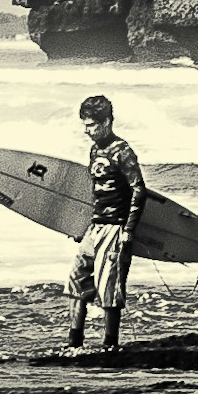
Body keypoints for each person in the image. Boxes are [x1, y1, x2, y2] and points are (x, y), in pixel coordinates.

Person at [67, 93, 144, 351]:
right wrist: (83, 227)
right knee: (77, 281)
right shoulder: (94, 150)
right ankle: (74, 344)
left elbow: (138, 189)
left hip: (115, 227)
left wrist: (128, 230)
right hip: (96, 226)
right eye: (85, 125)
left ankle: (110, 346)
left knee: (109, 289)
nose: (87, 131)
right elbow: (95, 192)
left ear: (107, 122)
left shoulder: (122, 151)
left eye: (92, 125)